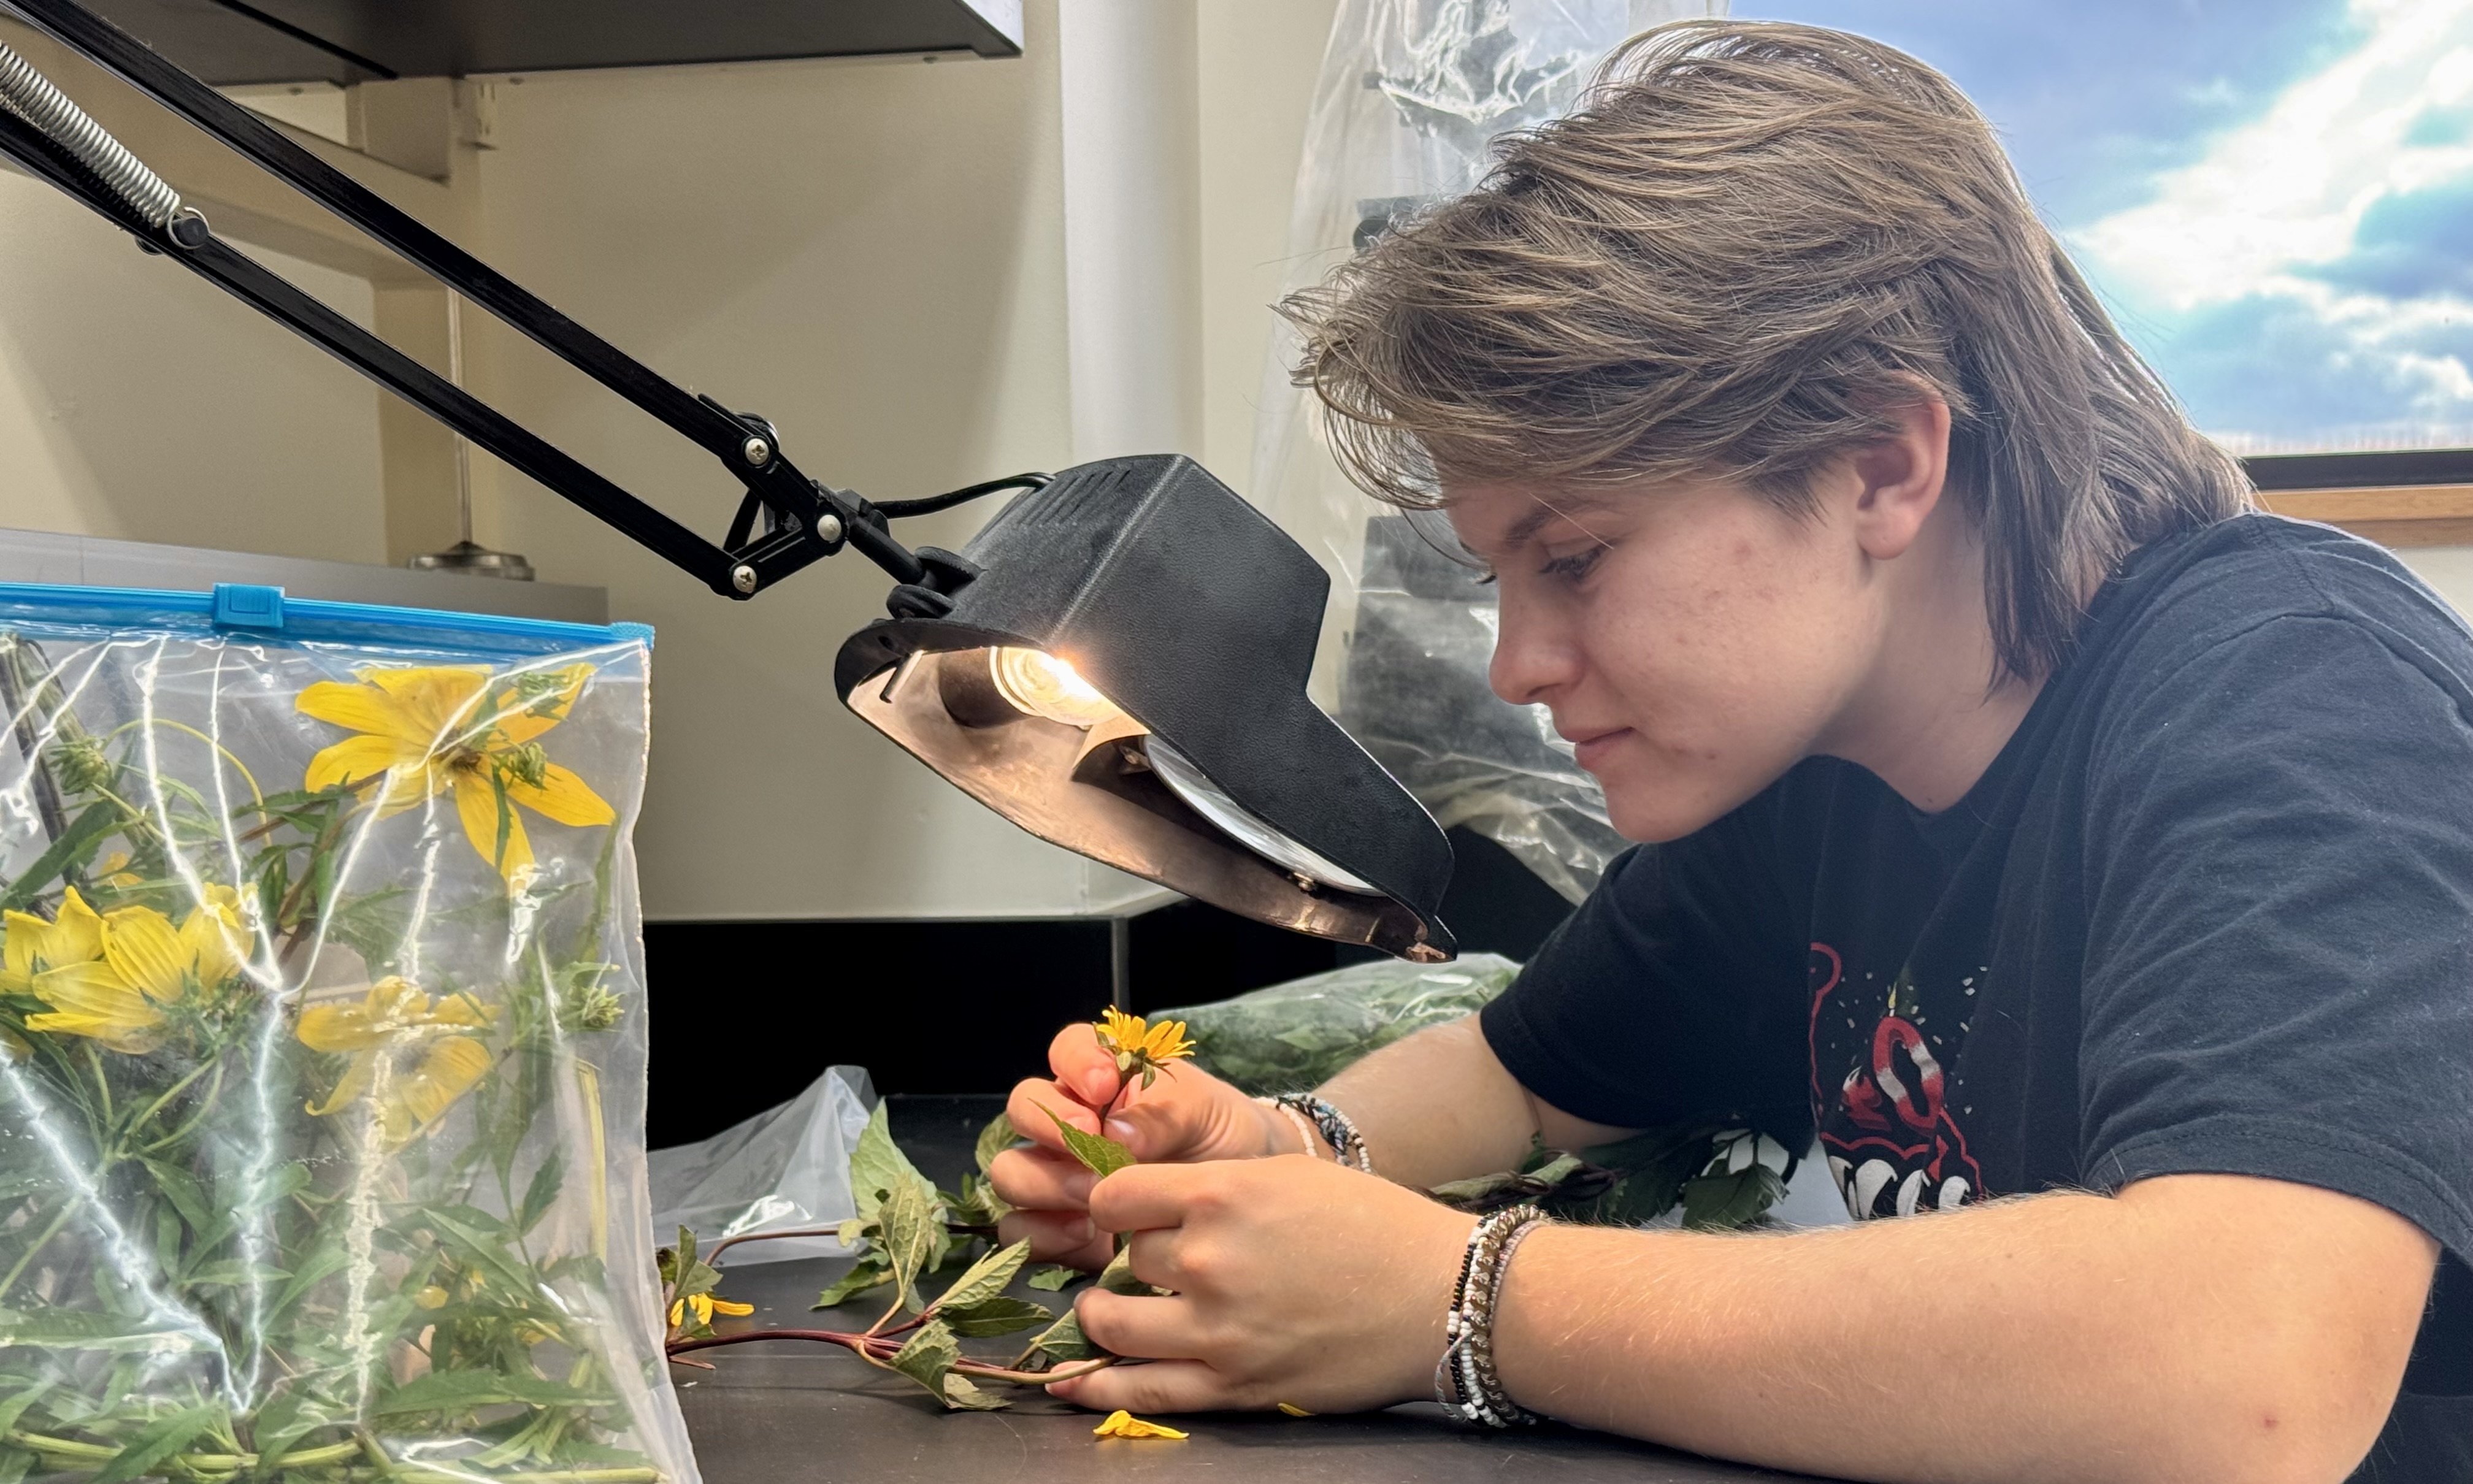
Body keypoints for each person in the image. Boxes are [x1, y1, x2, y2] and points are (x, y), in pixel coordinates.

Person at [987, 21, 2471, 1483]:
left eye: (1575, 556)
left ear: (1883, 462)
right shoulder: (1815, 776)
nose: (1516, 665)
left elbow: (2245, 1376)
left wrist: (1458, 1305)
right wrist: (1277, 1156)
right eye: (1503, 577)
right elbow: (1521, 1075)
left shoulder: (2297, 683)